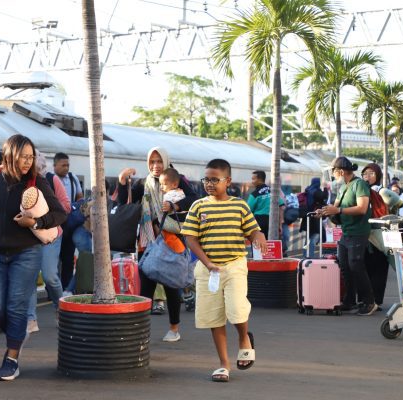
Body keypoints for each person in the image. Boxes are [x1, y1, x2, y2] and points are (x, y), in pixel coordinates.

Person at [0, 134, 66, 381]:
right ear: (10, 155)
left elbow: (60, 214)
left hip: (26, 253)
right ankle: (17, 331)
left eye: (31, 157)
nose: (27, 161)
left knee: (16, 306)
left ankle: (11, 359)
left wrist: (36, 221)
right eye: (23, 156)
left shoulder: (36, 182)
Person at [181, 158, 267, 383]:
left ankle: (243, 338)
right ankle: (223, 364)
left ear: (227, 181)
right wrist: (207, 263)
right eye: (206, 179)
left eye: (214, 179)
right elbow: (191, 238)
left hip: (234, 265)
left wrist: (259, 236)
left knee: (237, 309)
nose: (209, 183)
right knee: (214, 317)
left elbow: (252, 231)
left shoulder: (239, 205)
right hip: (208, 269)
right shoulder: (198, 206)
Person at [117, 147, 198, 342]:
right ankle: (139, 332)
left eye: (159, 161)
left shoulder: (177, 178)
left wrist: (175, 205)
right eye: (152, 162)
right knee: (145, 288)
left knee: (171, 286)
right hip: (148, 241)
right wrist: (121, 182)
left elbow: (194, 200)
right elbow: (124, 203)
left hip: (171, 239)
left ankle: (174, 328)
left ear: (166, 161)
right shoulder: (144, 183)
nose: (155, 165)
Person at [319, 157, 377, 316]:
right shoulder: (344, 187)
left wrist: (338, 211)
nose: (334, 177)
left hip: (358, 232)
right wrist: (323, 211)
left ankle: (369, 301)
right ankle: (350, 300)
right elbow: (335, 207)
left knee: (356, 265)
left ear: (341, 172)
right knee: (345, 266)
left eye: (335, 174)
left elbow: (362, 208)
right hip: (346, 233)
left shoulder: (360, 185)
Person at [27, 150, 69, 333]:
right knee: (29, 276)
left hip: (51, 234)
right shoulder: (24, 182)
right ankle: (31, 319)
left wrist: (43, 216)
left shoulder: (52, 180)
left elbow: (65, 206)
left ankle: (61, 309)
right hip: (29, 235)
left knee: (50, 276)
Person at [361, 163, 392, 309]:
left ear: (378, 175)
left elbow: (396, 204)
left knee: (379, 268)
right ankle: (366, 299)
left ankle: (377, 300)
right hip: (364, 234)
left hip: (380, 233)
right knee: (366, 267)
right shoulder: (360, 189)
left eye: (372, 173)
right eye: (365, 173)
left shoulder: (382, 191)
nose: (367, 176)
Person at [53, 152, 83, 291]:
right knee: (53, 260)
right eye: (63, 165)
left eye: (68, 165)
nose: (66, 168)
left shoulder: (73, 178)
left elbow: (79, 198)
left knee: (68, 259)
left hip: (69, 224)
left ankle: (66, 289)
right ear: (54, 166)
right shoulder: (50, 179)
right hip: (54, 225)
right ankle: (53, 289)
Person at [247, 170, 284, 239]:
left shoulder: (254, 194)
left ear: (259, 179)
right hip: (273, 221)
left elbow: (247, 211)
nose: (252, 181)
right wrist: (280, 224)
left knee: (258, 245)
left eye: (253, 179)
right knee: (271, 244)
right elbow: (281, 206)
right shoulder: (273, 191)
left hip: (259, 221)